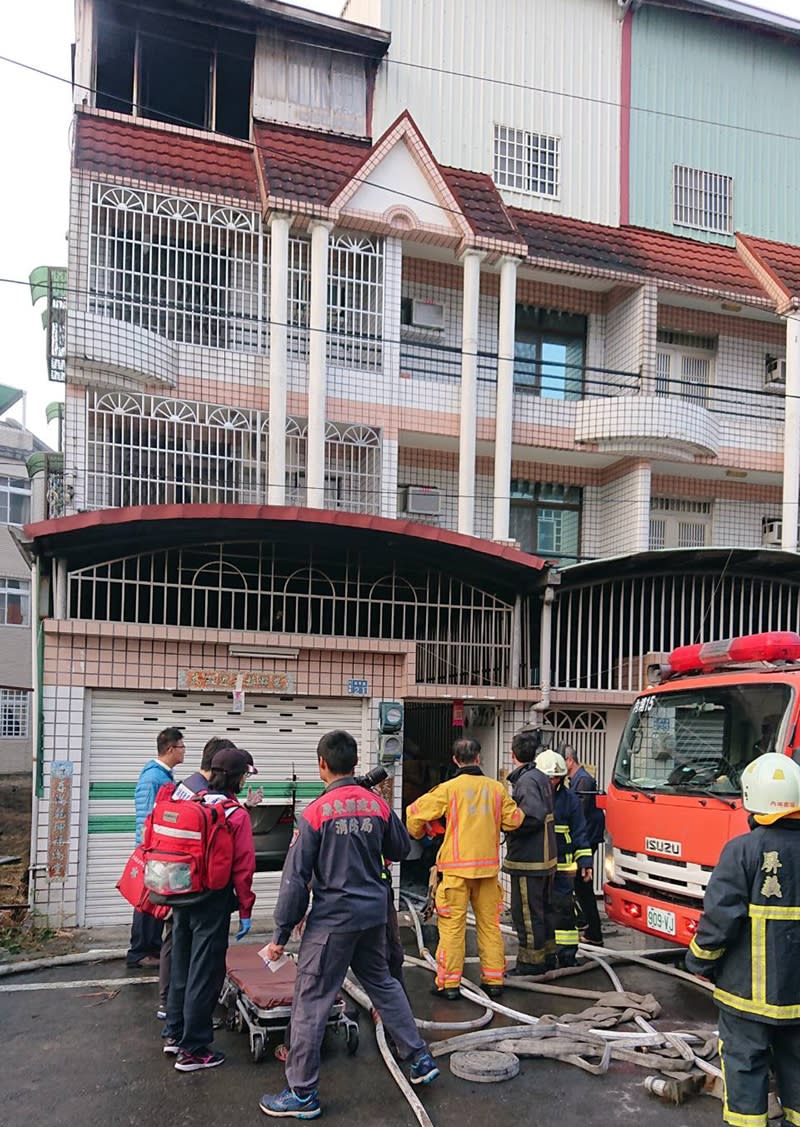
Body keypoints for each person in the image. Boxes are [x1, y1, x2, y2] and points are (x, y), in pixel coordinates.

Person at [259, 730, 439, 1120]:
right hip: (374, 917)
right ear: (355, 763)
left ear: (321, 764)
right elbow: (400, 849)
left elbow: (295, 880)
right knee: (384, 985)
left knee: (311, 1000)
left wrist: (279, 934)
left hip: (332, 924)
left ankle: (302, 1092)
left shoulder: (315, 813)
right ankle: (420, 1059)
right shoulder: (376, 804)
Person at [685, 753, 800, 1127]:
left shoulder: (742, 850)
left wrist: (699, 962)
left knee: (745, 1068)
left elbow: (720, 919)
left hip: (745, 994)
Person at [406, 738, 523, 1000]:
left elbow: (414, 814)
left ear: (456, 760)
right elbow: (515, 820)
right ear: (478, 759)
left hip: (455, 872)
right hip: (487, 872)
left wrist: (423, 832)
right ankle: (494, 981)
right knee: (490, 926)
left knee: (452, 928)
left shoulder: (448, 789)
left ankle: (449, 985)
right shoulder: (496, 789)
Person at [163, 747, 256, 1072]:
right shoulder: (236, 814)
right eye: (245, 774)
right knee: (206, 972)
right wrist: (245, 908)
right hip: (214, 900)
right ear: (238, 777)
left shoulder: (193, 801)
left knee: (182, 966)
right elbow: (244, 867)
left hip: (183, 895)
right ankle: (195, 1049)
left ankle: (174, 1034)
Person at [126, 727, 186, 969]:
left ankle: (150, 946)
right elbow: (150, 817)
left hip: (156, 848)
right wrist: (152, 849)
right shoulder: (154, 778)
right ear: (171, 749)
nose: (184, 752)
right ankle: (140, 952)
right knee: (147, 901)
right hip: (152, 849)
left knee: (156, 900)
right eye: (182, 747)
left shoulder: (162, 775)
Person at [503, 728, 558, 975]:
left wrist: (508, 826)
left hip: (529, 859)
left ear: (513, 754)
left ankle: (530, 963)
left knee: (525, 911)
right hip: (544, 858)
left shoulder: (526, 781)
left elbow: (531, 816)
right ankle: (548, 955)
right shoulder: (540, 777)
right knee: (542, 909)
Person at [535, 749, 592, 967]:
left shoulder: (570, 800)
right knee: (541, 910)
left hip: (564, 864)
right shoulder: (532, 796)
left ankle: (567, 954)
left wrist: (585, 862)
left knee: (564, 910)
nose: (553, 781)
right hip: (539, 864)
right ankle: (546, 954)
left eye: (557, 777)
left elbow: (579, 832)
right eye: (549, 777)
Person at [563, 745, 605, 947]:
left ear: (569, 761)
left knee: (583, 886)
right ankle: (586, 924)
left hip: (586, 841)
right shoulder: (577, 779)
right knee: (580, 886)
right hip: (586, 840)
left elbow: (579, 816)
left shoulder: (583, 780)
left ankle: (594, 931)